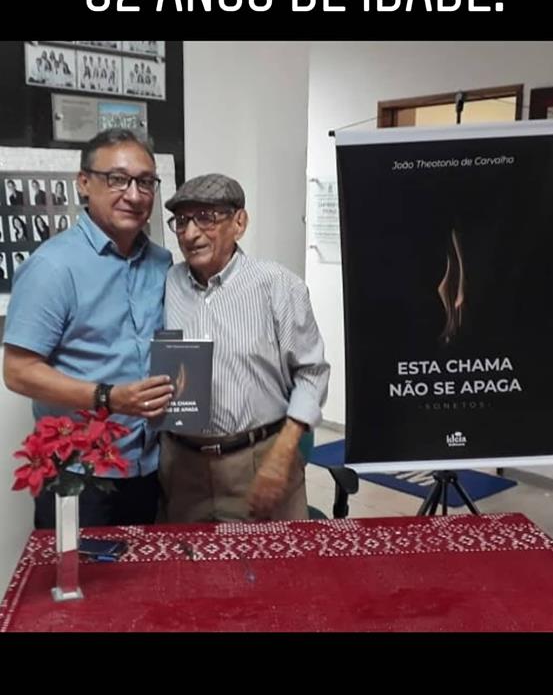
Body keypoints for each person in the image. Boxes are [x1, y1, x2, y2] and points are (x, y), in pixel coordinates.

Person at [3, 129, 174, 528]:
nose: (134, 195)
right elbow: (18, 370)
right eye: (117, 179)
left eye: (145, 182)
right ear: (84, 183)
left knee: (144, 586)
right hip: (79, 477)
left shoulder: (163, 264)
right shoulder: (53, 267)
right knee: (75, 586)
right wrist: (106, 397)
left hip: (149, 468)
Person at [159, 173, 330, 524]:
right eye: (181, 222)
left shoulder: (278, 286)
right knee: (191, 574)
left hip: (260, 460)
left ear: (239, 222)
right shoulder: (168, 283)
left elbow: (312, 374)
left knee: (274, 571)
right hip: (183, 466)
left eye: (206, 218)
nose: (191, 234)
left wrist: (284, 453)